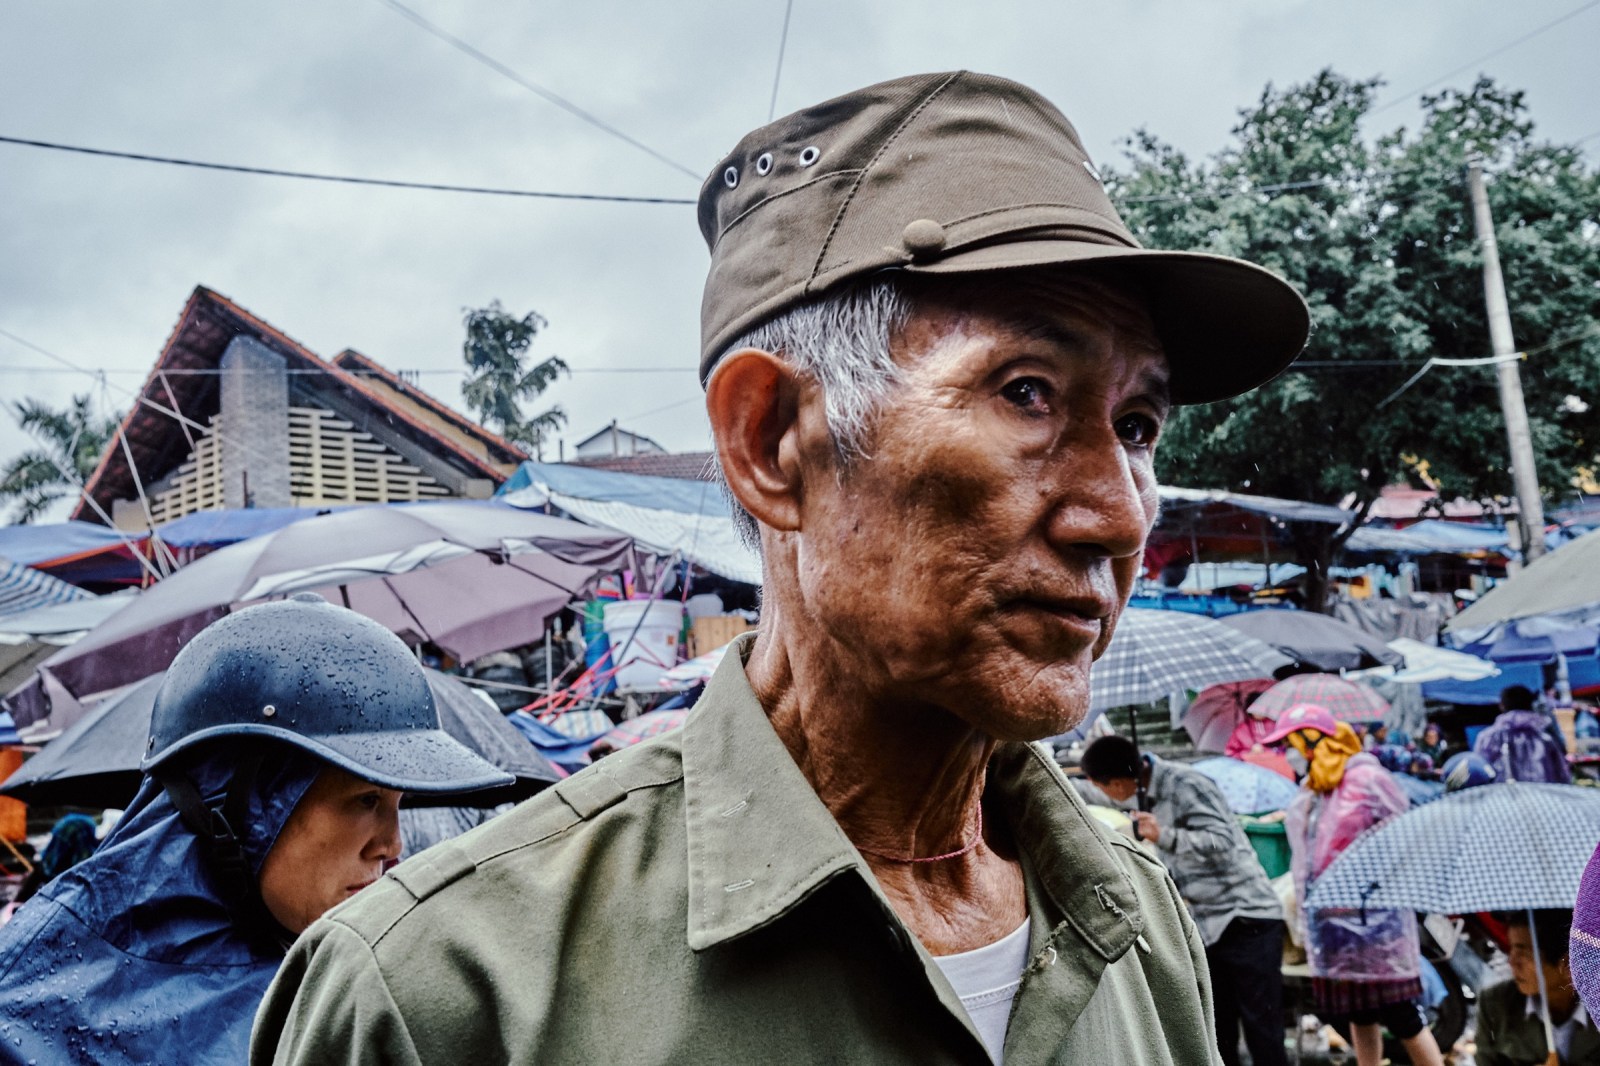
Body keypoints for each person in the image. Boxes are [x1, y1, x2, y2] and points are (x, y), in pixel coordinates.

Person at [254, 70, 1310, 1065]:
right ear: (771, 443)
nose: (1118, 516)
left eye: (1136, 423)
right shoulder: (444, 991)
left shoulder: (1135, 916)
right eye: (1026, 393)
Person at [0, 598, 512, 1064]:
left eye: (400, 805)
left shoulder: (369, 971)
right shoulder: (28, 1006)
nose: (393, 846)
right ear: (237, 805)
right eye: (365, 800)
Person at [1079, 736, 1289, 1066]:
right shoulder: (1142, 789)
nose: (1105, 795)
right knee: (1217, 1032)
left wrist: (1165, 835)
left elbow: (1224, 841)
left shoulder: (1187, 784)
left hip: (1246, 918)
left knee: (1263, 1030)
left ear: (1118, 783)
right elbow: (1086, 791)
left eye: (1104, 789)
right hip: (1205, 925)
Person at [1261, 703, 1445, 1066]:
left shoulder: (1368, 781)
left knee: (1402, 1015)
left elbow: (1400, 841)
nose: (1291, 756)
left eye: (1292, 746)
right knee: (1359, 1015)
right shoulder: (1314, 792)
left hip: (1377, 929)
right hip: (1335, 934)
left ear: (1311, 743)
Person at [1476, 909, 1600, 1066]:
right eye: (1511, 949)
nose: (1512, 962)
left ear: (1568, 964)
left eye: (1523, 953)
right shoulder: (1495, 1005)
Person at [1476, 684, 1572, 784]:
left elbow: (1479, 773)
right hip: (1542, 796)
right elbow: (1562, 774)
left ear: (1502, 706)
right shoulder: (1545, 737)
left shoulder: (1487, 737)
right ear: (1531, 704)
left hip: (1501, 797)